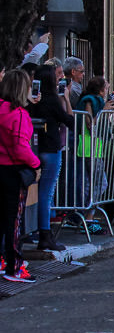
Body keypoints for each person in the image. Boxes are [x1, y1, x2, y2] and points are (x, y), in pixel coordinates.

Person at [28, 65, 75, 251]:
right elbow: (70, 121)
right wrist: (66, 99)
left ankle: (34, 231)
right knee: (46, 194)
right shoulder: (52, 100)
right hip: (51, 149)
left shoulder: (31, 101)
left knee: (34, 193)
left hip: (34, 150)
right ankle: (44, 234)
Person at [0, 70, 40, 282]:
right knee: (14, 222)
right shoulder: (19, 114)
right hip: (14, 171)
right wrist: (36, 163)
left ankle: (3, 261)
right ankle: (14, 268)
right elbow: (20, 147)